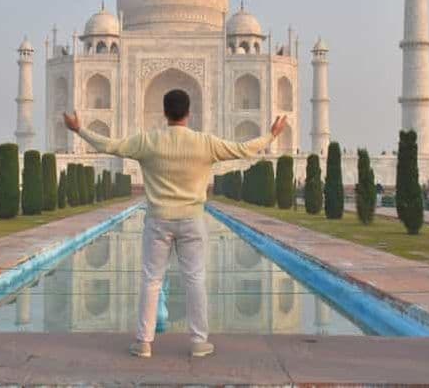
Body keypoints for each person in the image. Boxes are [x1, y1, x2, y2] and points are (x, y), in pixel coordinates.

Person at [64, 89, 286, 359]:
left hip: (158, 220)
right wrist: (272, 135)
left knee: (151, 280)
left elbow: (110, 145)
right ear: (189, 113)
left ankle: (144, 342)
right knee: (195, 280)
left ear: (164, 113)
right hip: (192, 220)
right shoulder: (204, 143)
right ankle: (199, 342)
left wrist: (79, 130)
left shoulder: (149, 142)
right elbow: (243, 149)